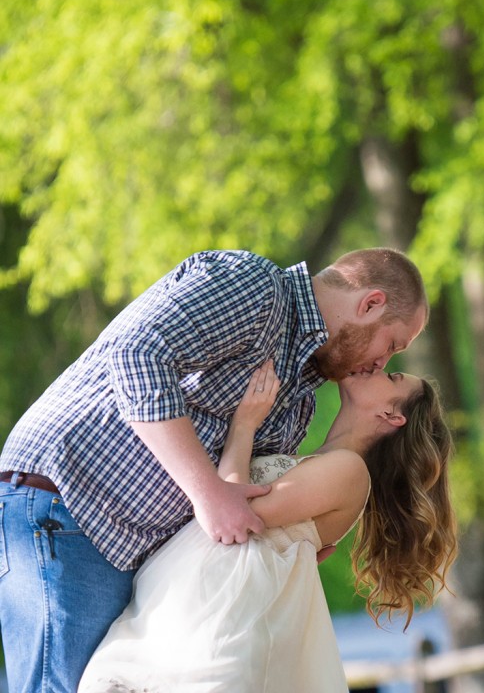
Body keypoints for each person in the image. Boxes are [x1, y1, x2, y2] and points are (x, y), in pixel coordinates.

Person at [0, 247, 427, 693]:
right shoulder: (258, 288)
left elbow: (241, 502)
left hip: (131, 558)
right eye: (392, 344)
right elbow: (137, 353)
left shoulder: (300, 398)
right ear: (370, 303)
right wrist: (206, 492)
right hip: (68, 506)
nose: (384, 362)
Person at [78, 359, 457, 693]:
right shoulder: (317, 462)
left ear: (393, 417)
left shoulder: (350, 471)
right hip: (179, 619)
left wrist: (245, 422)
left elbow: (230, 516)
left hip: (217, 633)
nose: (377, 367)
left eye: (392, 376)